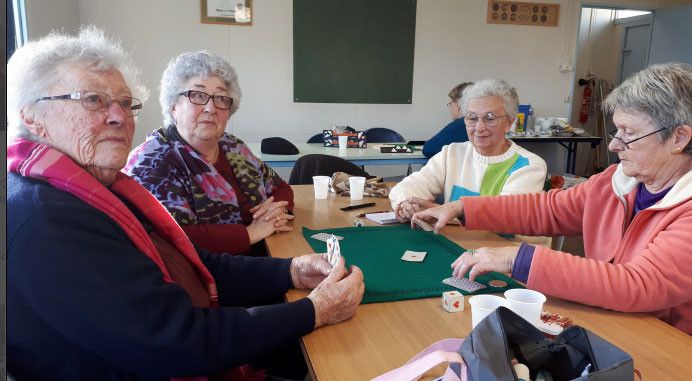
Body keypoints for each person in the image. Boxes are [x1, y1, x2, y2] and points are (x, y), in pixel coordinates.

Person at [7, 27, 365, 381]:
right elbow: (179, 342)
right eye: (92, 99)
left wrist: (290, 270)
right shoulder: (50, 219)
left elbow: (191, 262)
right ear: (32, 117)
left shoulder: (100, 186)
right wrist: (313, 311)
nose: (118, 116)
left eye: (125, 103)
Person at [413, 63, 692, 334]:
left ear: (679, 138)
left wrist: (518, 258)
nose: (614, 144)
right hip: (615, 322)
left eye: (629, 133)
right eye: (617, 130)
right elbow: (548, 209)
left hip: (668, 344)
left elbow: (638, 284)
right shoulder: (616, 180)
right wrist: (460, 207)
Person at [124, 51, 293, 256]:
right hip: (207, 278)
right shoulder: (150, 160)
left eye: (221, 98)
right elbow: (170, 238)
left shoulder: (234, 147)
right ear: (173, 105)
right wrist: (250, 233)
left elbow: (281, 187)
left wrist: (278, 212)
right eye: (198, 95)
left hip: (267, 253)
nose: (211, 108)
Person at [391, 79, 547, 223]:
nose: (479, 128)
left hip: (505, 249)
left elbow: (507, 215)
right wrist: (406, 202)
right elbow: (408, 186)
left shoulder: (530, 165)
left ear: (509, 123)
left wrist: (450, 209)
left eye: (490, 118)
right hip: (456, 244)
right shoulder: (452, 153)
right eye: (472, 118)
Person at [422, 82, 473, 158]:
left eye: (451, 103)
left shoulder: (461, 124)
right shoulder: (486, 122)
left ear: (458, 104)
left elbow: (428, 150)